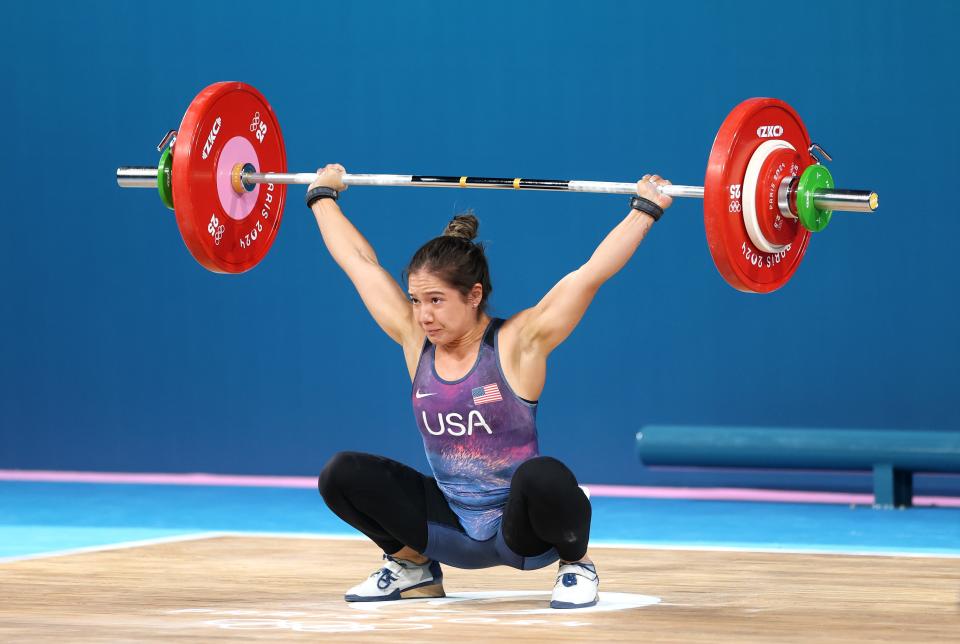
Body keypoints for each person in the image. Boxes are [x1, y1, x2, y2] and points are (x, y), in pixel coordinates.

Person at [308, 165, 672, 609]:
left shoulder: (519, 341)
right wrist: (322, 196)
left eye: (437, 301)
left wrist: (645, 209)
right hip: (447, 525)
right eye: (417, 300)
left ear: (474, 295)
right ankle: (412, 567)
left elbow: (590, 273)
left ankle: (576, 565)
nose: (424, 315)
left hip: (520, 531)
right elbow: (359, 264)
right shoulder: (415, 340)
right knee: (341, 473)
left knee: (544, 475)